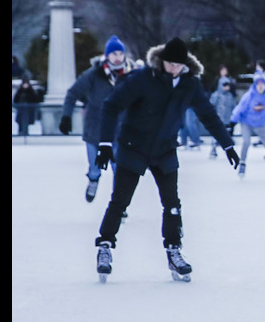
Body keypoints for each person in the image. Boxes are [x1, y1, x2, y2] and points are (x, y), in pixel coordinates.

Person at [92, 37, 240, 283]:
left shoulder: (190, 85)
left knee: (172, 204)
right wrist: (106, 144)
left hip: (164, 150)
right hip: (133, 147)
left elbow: (208, 115)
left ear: (185, 64)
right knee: (120, 201)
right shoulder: (142, 79)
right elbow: (111, 106)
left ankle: (173, 250)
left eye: (178, 65)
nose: (173, 68)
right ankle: (105, 246)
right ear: (161, 61)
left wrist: (227, 145)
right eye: (169, 63)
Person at [59, 35, 132, 203]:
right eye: (113, 54)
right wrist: (66, 117)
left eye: (120, 53)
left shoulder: (131, 74)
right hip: (95, 130)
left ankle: (118, 204)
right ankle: (93, 179)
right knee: (94, 167)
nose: (117, 57)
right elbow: (73, 93)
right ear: (106, 55)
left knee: (119, 170)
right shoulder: (93, 74)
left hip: (120, 131)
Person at [230, 71, 265, 181]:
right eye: (258, 84)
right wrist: (233, 122)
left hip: (261, 124)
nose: (260, 86)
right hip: (247, 123)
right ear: (255, 85)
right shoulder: (249, 96)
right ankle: (242, 163)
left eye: (262, 84)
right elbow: (240, 108)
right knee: (246, 142)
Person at [208, 78, 237, 159]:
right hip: (218, 119)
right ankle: (213, 150)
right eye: (225, 85)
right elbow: (211, 105)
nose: (227, 87)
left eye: (228, 86)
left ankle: (229, 150)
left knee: (227, 135)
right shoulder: (216, 95)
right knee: (215, 136)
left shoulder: (230, 96)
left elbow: (233, 106)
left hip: (227, 120)